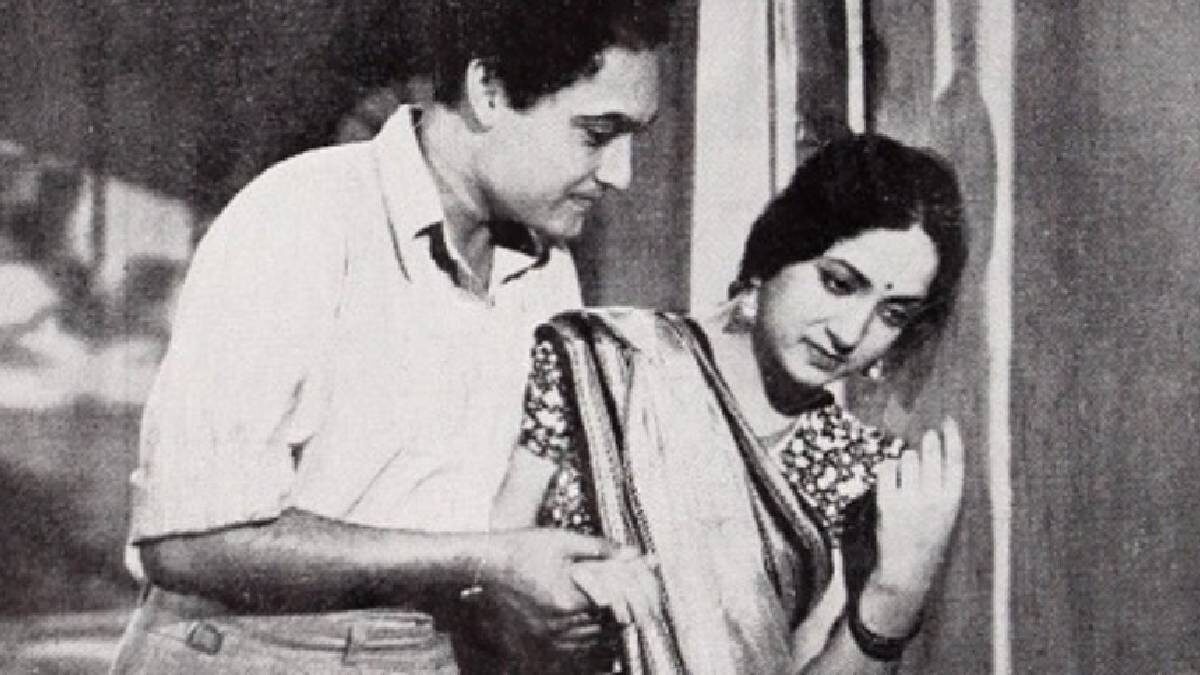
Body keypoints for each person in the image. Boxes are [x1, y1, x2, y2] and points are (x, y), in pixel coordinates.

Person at [111, 1, 672, 672]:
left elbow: (492, 531)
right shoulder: (300, 217)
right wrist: (483, 562)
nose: (620, 174)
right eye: (597, 133)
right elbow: (185, 542)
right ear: (489, 91)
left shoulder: (548, 275)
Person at [493, 134, 969, 673]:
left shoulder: (858, 471)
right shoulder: (604, 359)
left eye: (893, 314)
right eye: (838, 284)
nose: (851, 333)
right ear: (778, 249)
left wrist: (895, 592)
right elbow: (494, 574)